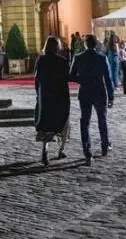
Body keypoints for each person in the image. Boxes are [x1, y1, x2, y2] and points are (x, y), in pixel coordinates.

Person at [69, 34, 114, 166]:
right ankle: (104, 147)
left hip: (85, 92)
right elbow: (108, 79)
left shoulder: (78, 57)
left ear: (85, 44)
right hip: (100, 92)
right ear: (96, 44)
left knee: (85, 122)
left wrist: (82, 79)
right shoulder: (102, 58)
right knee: (102, 120)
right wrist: (111, 96)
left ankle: (87, 153)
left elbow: (71, 76)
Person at [34, 37, 71, 165]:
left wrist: (39, 95)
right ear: (57, 47)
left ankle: (45, 150)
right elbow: (66, 79)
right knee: (64, 123)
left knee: (46, 124)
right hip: (60, 96)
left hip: (46, 96)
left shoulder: (41, 60)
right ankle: (61, 150)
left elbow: (37, 79)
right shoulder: (62, 61)